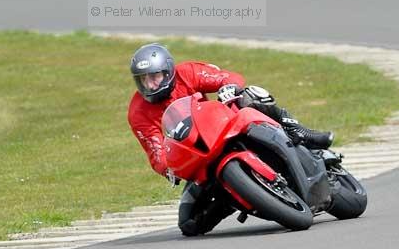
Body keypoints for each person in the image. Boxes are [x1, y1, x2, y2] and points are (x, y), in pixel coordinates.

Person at [127, 42, 334, 237]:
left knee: (250, 96)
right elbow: (155, 152)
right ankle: (234, 198)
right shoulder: (138, 112)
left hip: (222, 124)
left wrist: (229, 87)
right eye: (143, 80)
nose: (150, 85)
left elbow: (226, 77)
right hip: (199, 155)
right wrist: (169, 168)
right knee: (189, 224)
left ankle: (297, 130)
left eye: (155, 77)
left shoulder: (187, 72)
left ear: (168, 72)